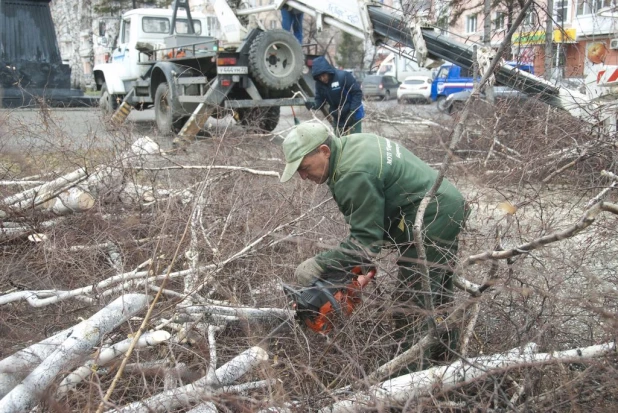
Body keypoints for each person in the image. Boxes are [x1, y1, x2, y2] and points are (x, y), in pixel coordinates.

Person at [280, 122, 468, 368]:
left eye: (304, 168)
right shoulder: (349, 147)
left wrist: (319, 264)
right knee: (438, 298)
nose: (303, 176)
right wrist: (347, 270)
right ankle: (449, 366)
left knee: (410, 308)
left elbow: (367, 243)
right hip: (445, 207)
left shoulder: (352, 173)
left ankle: (409, 383)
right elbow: (368, 231)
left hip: (433, 218)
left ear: (324, 150)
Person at [305, 56, 364, 136]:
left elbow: (357, 93)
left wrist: (352, 112)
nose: (322, 78)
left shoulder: (343, 77)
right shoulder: (319, 85)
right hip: (338, 116)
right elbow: (320, 100)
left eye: (324, 75)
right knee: (340, 143)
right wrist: (313, 105)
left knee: (354, 143)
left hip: (353, 114)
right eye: (319, 77)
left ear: (328, 72)